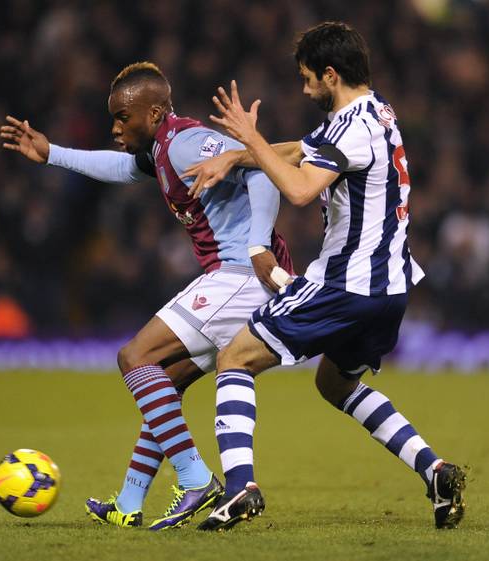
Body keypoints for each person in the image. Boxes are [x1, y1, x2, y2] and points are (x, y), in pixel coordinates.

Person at [184, 22, 467, 531]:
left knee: (235, 358)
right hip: (390, 289)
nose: (304, 88)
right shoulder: (375, 112)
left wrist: (249, 137)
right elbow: (300, 148)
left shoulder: (351, 128)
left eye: (307, 78)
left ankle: (240, 487)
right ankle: (435, 471)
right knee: (335, 383)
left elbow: (297, 187)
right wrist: (237, 156)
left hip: (346, 286)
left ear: (330, 75)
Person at [0, 61, 294, 530]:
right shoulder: (161, 149)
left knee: (135, 357)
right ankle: (129, 503)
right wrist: (52, 152)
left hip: (239, 274)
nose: (115, 127)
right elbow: (121, 167)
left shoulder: (185, 142)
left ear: (154, 113)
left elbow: (260, 166)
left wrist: (258, 244)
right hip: (236, 279)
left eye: (122, 117)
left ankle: (196, 479)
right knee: (167, 381)